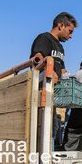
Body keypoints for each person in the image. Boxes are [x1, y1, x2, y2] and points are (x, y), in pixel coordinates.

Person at [30, 11, 78, 147]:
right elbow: (37, 59)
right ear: (61, 25)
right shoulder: (44, 38)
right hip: (40, 95)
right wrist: (48, 70)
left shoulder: (61, 47)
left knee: (51, 130)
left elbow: (62, 69)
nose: (71, 36)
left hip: (53, 96)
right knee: (42, 133)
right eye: (69, 31)